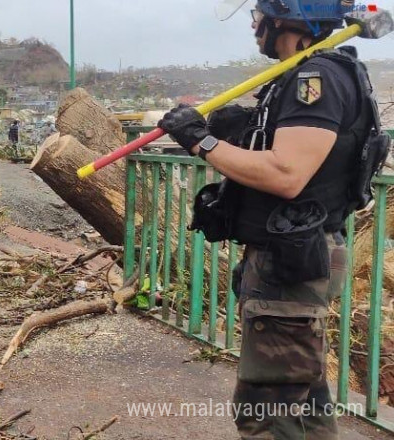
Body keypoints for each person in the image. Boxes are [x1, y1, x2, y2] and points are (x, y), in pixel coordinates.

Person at [159, 1, 385, 438]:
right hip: (292, 257)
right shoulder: (312, 73)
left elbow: (287, 174)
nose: (254, 23)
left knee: (268, 412)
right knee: (304, 403)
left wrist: (200, 142)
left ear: (285, 16)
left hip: (292, 263)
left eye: (260, 13)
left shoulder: (315, 78)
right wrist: (239, 129)